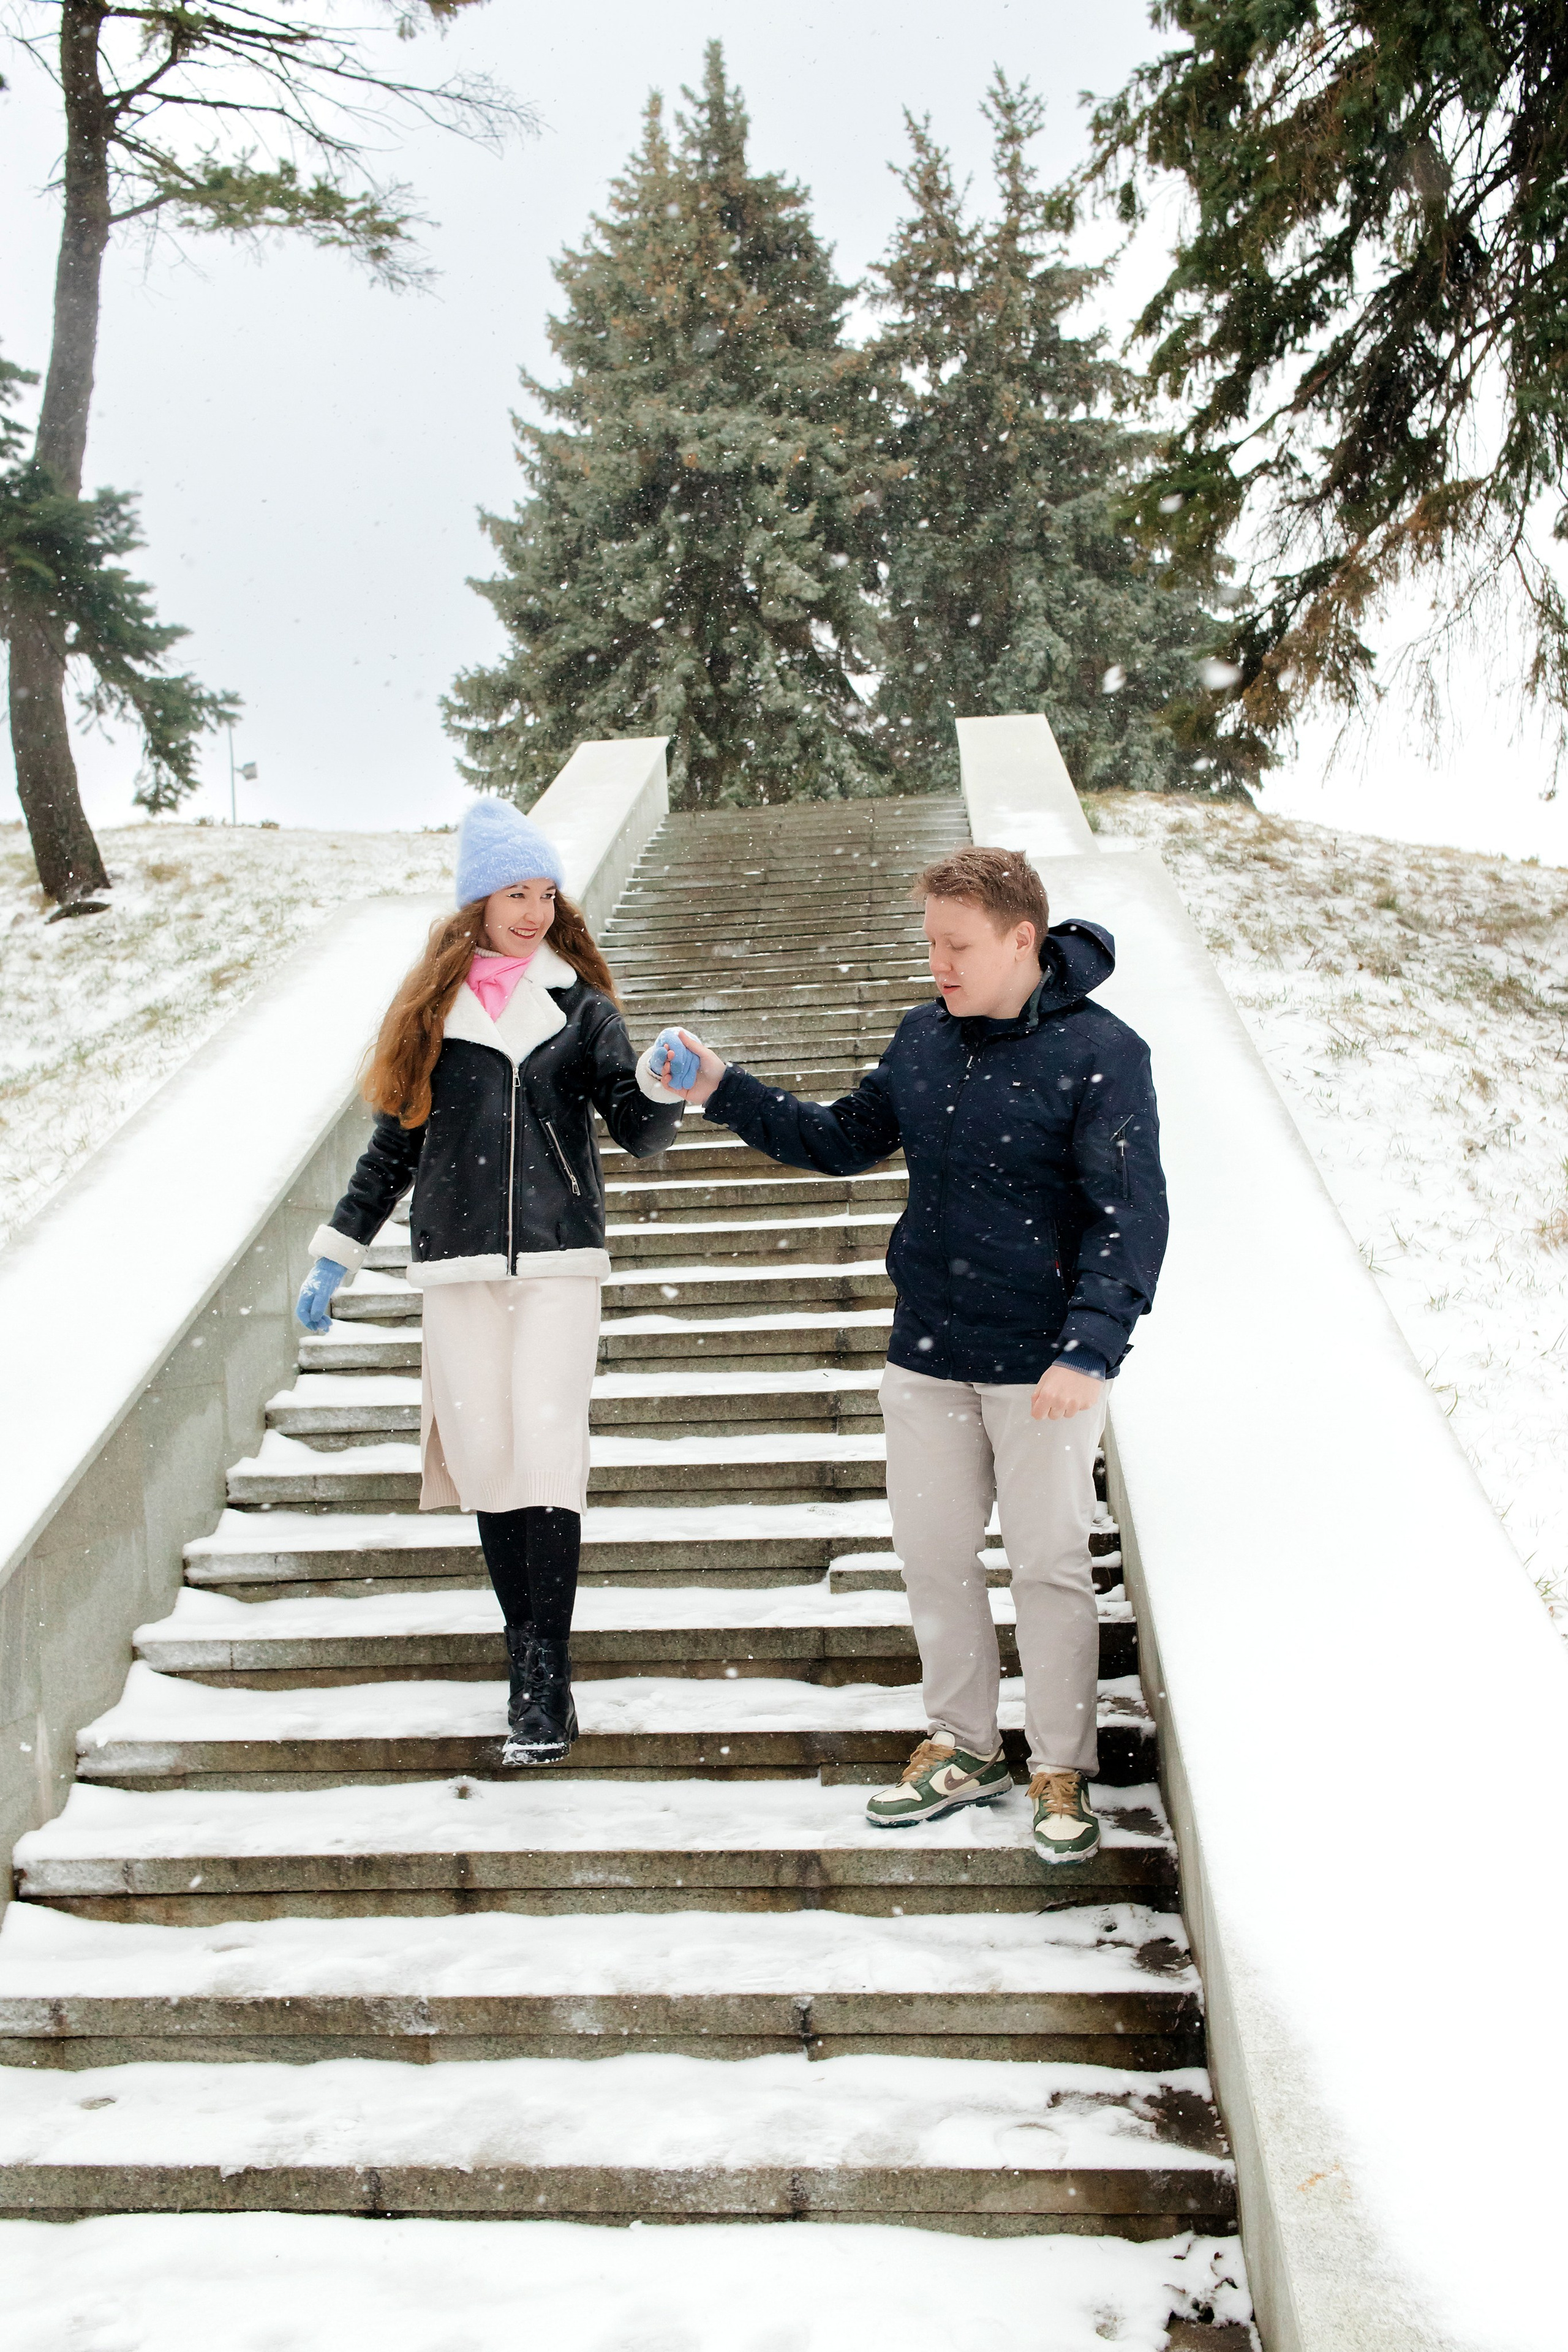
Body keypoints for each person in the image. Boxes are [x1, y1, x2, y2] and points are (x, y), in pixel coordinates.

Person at [655, 845, 1168, 1864]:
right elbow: (842, 1138)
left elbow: (1130, 1217)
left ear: (1024, 940)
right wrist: (723, 1087)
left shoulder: (1103, 1052)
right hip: (926, 1356)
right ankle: (968, 1745)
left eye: (957, 944)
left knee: (1050, 1568)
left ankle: (1059, 1767)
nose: (938, 962)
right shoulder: (924, 1039)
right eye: (931, 941)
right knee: (935, 1560)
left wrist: (1091, 1348)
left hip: (1043, 1369)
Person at [295, 799, 685, 1766]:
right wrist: (335, 1254)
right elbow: (392, 1148)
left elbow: (637, 1130)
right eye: (516, 893)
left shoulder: (581, 1006)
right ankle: (531, 1659)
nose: (535, 911)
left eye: (546, 893)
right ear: (477, 901)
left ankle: (540, 1682)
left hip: (558, 1262)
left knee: (546, 1454)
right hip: (459, 1265)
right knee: (489, 1460)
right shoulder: (432, 1016)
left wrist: (669, 1086)